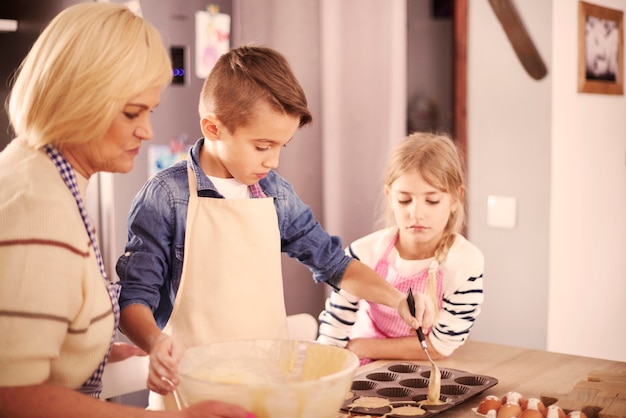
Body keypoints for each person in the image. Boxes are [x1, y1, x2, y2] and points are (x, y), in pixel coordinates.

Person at [115, 45, 435, 410]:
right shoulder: (165, 198)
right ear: (213, 127)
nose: (274, 160)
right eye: (262, 146)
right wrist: (156, 344)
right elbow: (133, 300)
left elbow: (334, 264)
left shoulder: (274, 193)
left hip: (266, 392)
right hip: (188, 395)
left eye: (282, 145)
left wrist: (398, 300)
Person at [0, 3, 254, 418]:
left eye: (151, 111)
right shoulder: (38, 207)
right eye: (132, 112)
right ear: (76, 100)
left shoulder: (42, 176)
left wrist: (91, 349)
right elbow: (13, 396)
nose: (147, 130)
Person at [317, 132, 484, 364]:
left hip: (419, 363)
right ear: (389, 196)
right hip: (362, 362)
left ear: (456, 198)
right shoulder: (363, 253)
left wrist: (360, 346)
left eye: (432, 200)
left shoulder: (464, 262)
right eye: (405, 200)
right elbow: (333, 331)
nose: (416, 213)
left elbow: (439, 347)